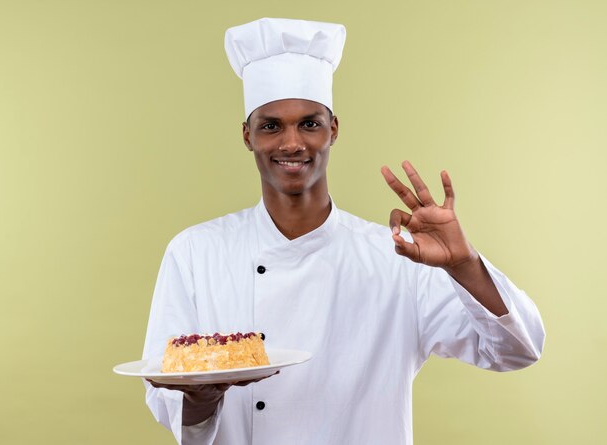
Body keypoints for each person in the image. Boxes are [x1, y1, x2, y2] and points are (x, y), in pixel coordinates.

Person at [142, 18, 545, 445]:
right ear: (247, 136)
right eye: (271, 125)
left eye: (310, 124)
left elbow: (518, 350)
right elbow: (170, 404)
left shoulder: (398, 257)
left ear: (334, 129)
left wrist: (464, 264)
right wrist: (202, 399)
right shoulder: (195, 252)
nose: (292, 143)